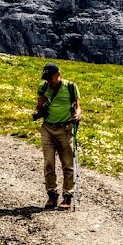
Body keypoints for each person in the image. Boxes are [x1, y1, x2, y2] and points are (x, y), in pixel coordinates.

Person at [35, 63, 81, 210]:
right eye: (47, 78)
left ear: (58, 74)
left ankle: (67, 196)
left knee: (67, 163)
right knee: (49, 163)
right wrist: (39, 105)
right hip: (47, 128)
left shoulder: (71, 87)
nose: (49, 81)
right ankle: (52, 195)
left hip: (65, 128)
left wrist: (78, 114)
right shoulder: (43, 87)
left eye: (51, 78)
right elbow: (38, 108)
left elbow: (78, 106)